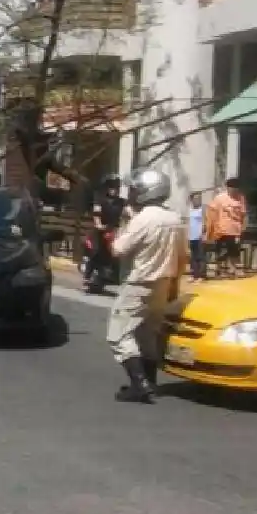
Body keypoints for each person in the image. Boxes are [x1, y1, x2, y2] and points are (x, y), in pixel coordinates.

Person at [107, 168, 185, 404]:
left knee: (118, 335)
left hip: (139, 283)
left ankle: (139, 384)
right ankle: (150, 381)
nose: (131, 194)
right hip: (164, 282)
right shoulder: (175, 218)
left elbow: (118, 249)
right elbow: (183, 257)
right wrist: (174, 286)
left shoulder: (143, 218)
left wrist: (123, 224)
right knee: (147, 333)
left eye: (135, 190)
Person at [84, 174, 127, 286]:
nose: (115, 189)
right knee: (96, 252)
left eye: (117, 187)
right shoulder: (100, 199)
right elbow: (96, 213)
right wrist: (99, 225)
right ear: (107, 188)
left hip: (114, 231)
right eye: (112, 186)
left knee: (117, 252)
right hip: (100, 231)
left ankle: (116, 277)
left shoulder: (121, 202)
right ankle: (87, 275)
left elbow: (128, 213)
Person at [207, 177, 247, 277]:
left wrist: (243, 228)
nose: (234, 191)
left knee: (233, 251)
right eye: (232, 188)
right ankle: (218, 268)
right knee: (219, 250)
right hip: (220, 229)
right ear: (227, 188)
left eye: (236, 189)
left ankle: (233, 269)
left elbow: (243, 214)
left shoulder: (241, 198)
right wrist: (210, 228)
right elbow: (212, 211)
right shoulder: (219, 198)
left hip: (234, 230)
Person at [187, 190, 206, 280]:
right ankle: (194, 274)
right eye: (196, 198)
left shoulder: (202, 209)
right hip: (191, 236)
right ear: (192, 200)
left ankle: (201, 275)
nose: (198, 200)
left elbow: (205, 223)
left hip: (199, 236)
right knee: (193, 256)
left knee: (200, 256)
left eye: (199, 198)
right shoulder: (189, 210)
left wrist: (203, 234)